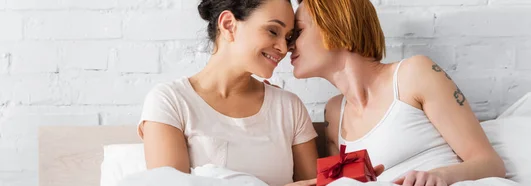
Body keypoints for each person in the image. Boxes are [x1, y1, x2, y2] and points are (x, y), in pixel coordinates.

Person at [287, 0, 507, 185]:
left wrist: (440, 175)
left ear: (333, 25)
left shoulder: (414, 73)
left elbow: (490, 163)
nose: (289, 45)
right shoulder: (334, 113)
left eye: (298, 32)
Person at [137, 0, 319, 185]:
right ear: (228, 25)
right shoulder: (171, 102)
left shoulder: (288, 107)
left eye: (288, 37)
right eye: (273, 31)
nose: (283, 48)